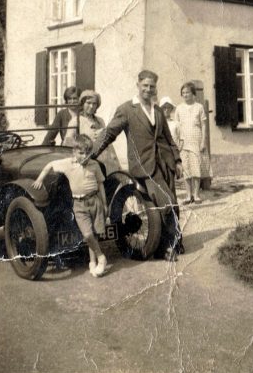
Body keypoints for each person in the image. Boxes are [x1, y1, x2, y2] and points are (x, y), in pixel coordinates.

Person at [92, 70, 184, 261]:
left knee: (173, 205)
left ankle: (175, 241)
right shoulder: (127, 109)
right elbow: (109, 133)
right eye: (145, 86)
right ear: (138, 85)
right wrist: (91, 155)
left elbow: (168, 138)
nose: (148, 90)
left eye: (152, 86)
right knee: (166, 204)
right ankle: (163, 249)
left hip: (165, 163)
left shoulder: (158, 110)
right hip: (143, 165)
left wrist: (177, 160)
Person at [32, 134, 108, 277]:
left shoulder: (94, 165)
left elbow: (101, 184)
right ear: (74, 152)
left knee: (94, 234)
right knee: (87, 234)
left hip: (95, 201)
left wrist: (104, 203)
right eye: (81, 153)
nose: (85, 156)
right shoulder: (68, 164)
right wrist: (40, 179)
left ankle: (92, 262)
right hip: (79, 204)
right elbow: (50, 165)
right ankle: (101, 257)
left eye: (87, 153)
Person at [175, 82, 207, 204]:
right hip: (183, 142)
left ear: (193, 93)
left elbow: (204, 126)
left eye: (187, 92)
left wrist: (203, 141)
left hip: (196, 140)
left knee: (196, 168)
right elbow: (176, 127)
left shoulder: (199, 107)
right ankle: (188, 196)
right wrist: (177, 143)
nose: (185, 95)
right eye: (183, 93)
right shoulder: (178, 108)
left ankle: (196, 195)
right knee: (186, 169)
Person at [78, 90, 121, 176]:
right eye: (88, 103)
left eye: (94, 104)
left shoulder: (100, 121)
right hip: (89, 162)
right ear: (82, 103)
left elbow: (107, 140)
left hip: (107, 161)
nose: (91, 106)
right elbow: (69, 143)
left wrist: (115, 159)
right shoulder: (76, 121)